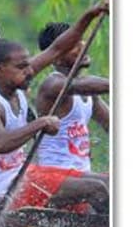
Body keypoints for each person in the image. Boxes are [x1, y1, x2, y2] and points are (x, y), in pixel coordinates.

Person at [0, 0, 108, 213]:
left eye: (28, 65)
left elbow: (58, 47)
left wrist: (91, 13)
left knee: (114, 184)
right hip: (6, 190)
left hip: (29, 174)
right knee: (97, 190)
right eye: (21, 67)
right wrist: (40, 123)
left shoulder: (18, 79)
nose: (29, 72)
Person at [33, 22, 109, 172]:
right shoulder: (52, 85)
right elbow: (98, 85)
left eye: (81, 40)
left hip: (83, 177)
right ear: (56, 58)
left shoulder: (89, 94)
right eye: (74, 45)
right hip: (55, 176)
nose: (83, 46)